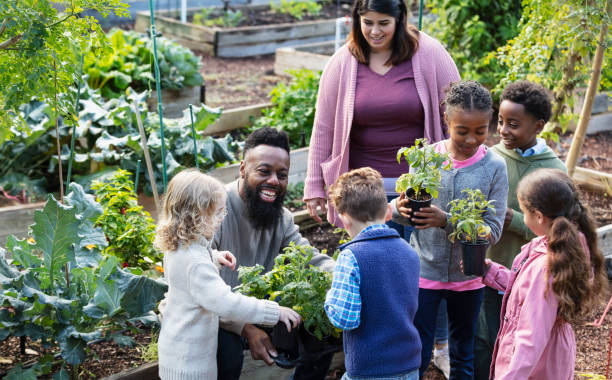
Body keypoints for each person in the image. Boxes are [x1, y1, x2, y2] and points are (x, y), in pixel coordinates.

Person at [303, 0, 460, 235]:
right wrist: (314, 185)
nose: (375, 32)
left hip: (421, 188)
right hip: (363, 193)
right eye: (368, 23)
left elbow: (457, 113)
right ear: (358, 21)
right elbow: (323, 128)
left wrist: (461, 167)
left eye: (384, 23)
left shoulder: (429, 53)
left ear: (400, 20)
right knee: (373, 261)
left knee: (420, 264)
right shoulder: (342, 63)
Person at [392, 80, 508, 379]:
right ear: (446, 119)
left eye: (480, 131)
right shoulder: (425, 158)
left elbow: (492, 230)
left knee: (462, 353)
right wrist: (401, 211)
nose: (471, 139)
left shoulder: (494, 167)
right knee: (416, 351)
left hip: (469, 278)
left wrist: (447, 220)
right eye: (462, 131)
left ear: (490, 124)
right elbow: (409, 214)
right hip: (424, 274)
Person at [154, 169, 302, 379]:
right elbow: (227, 304)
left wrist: (214, 257)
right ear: (196, 216)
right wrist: (275, 312)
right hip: (191, 366)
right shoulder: (195, 263)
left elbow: (188, 270)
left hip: (177, 353)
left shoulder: (180, 246)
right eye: (218, 212)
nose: (223, 218)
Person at [214, 127, 336, 380]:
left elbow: (307, 257)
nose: (274, 181)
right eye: (264, 171)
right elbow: (201, 288)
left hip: (264, 309)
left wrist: (345, 275)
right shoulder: (214, 210)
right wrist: (244, 328)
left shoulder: (280, 218)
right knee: (227, 349)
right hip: (218, 314)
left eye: (282, 175)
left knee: (320, 329)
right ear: (242, 169)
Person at [473, 81, 567, 380]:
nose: (502, 130)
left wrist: (509, 218)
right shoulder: (491, 157)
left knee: (515, 342)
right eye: (500, 121)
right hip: (489, 267)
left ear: (538, 125)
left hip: (526, 279)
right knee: (482, 340)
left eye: (513, 124)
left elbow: (557, 231)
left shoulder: (553, 171)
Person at [481, 169, 607, 379]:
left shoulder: (547, 266)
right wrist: (491, 272)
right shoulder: (572, 244)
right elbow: (528, 293)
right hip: (551, 354)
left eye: (524, 211)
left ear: (539, 217)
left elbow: (531, 338)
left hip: (535, 365)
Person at [324, 167, 421, 380]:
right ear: (388, 211)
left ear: (344, 219)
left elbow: (344, 318)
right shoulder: (410, 252)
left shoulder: (351, 257)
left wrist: (330, 295)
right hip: (409, 364)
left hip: (371, 370)